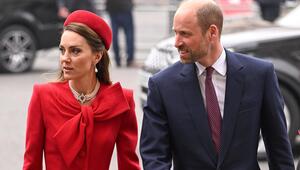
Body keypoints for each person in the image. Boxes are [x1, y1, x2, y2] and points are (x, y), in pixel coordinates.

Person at [140, 0, 295, 169]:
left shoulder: (259, 74)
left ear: (212, 32)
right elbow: (154, 156)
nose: (176, 42)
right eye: (175, 33)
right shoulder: (162, 85)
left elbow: (278, 146)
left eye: (185, 34)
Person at [23, 10, 140, 170]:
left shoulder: (121, 100)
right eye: (62, 50)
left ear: (97, 56)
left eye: (75, 51)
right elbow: (31, 164)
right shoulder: (42, 96)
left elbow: (129, 165)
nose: (65, 58)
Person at [105, 0, 135, 67]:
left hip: (113, 7)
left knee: (115, 35)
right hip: (125, 7)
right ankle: (129, 59)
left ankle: (117, 60)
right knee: (129, 34)